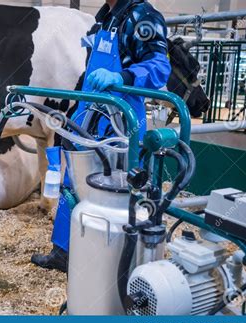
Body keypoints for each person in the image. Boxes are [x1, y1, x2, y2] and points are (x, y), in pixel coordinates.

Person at [31, 0, 172, 272]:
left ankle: (107, 260)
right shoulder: (104, 17)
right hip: (90, 114)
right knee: (72, 184)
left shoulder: (141, 16)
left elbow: (160, 66)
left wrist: (123, 76)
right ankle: (63, 251)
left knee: (113, 189)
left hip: (121, 121)